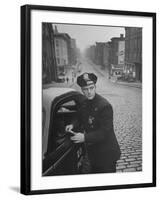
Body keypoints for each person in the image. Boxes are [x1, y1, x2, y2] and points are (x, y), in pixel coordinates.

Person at [66, 72, 121, 173]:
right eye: (86, 89)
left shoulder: (104, 106)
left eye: (91, 88)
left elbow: (105, 132)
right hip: (94, 152)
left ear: (95, 87)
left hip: (107, 154)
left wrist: (84, 137)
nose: (89, 92)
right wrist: (72, 124)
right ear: (82, 90)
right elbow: (79, 116)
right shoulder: (84, 103)